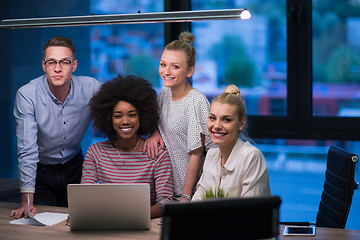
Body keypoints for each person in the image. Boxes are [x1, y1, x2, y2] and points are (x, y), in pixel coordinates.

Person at [11, 36, 102, 219]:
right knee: (40, 226)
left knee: (78, 222)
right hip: (41, 173)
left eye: (64, 62)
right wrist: (26, 201)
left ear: (74, 65)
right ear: (43, 65)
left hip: (75, 167)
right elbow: (27, 149)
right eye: (52, 62)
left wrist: (154, 131)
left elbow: (122, 108)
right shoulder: (27, 95)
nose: (58, 68)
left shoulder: (91, 87)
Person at [81, 74, 173, 218]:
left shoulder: (158, 154)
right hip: (106, 222)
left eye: (132, 115)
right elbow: (84, 197)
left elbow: (165, 202)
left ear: (142, 116)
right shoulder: (96, 152)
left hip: (143, 223)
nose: (125, 121)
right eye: (118, 116)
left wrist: (132, 216)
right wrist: (79, 212)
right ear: (108, 119)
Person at [143, 32, 214, 202]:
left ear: (190, 71)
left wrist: (186, 196)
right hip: (167, 187)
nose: (166, 71)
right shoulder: (165, 93)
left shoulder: (196, 101)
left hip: (192, 191)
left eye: (175, 66)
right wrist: (155, 132)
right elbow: (161, 123)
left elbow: (196, 155)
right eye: (163, 64)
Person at [192, 84, 271, 201]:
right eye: (212, 118)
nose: (217, 126)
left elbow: (252, 214)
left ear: (241, 124)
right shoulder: (211, 155)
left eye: (226, 120)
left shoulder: (252, 157)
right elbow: (195, 206)